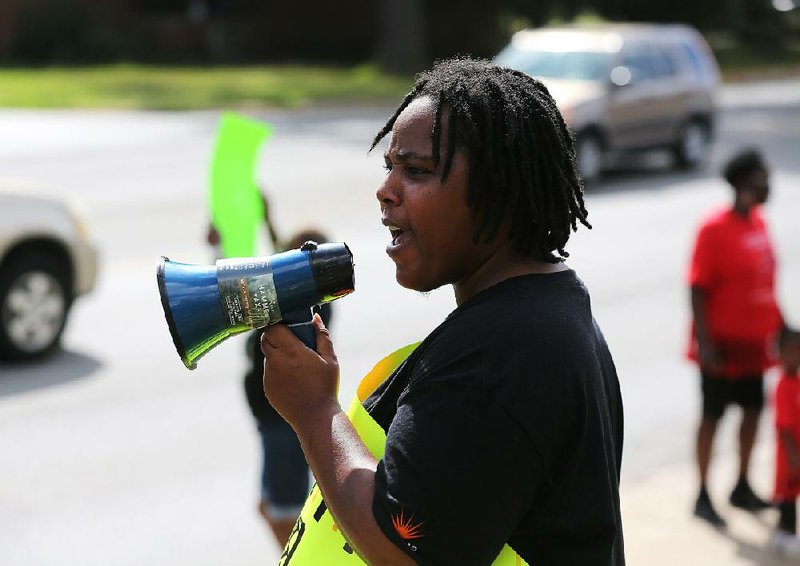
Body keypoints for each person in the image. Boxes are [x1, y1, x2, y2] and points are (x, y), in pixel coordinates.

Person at [260, 57, 625, 565]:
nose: (386, 190)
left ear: (498, 187)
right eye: (389, 167)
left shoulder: (508, 351)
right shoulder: (534, 315)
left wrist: (315, 411)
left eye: (416, 170)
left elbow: (405, 550)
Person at [208, 195, 333, 548]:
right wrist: (264, 220)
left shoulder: (305, 308)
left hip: (284, 427)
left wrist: (221, 252)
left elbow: (248, 289)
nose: (281, 267)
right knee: (268, 506)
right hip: (272, 424)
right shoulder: (300, 296)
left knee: (283, 512)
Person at [687, 148, 784, 528]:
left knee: (753, 413)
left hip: (754, 345)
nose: (768, 184)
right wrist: (706, 345)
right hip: (722, 347)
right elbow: (697, 288)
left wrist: (782, 327)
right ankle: (702, 493)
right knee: (713, 416)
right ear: (745, 183)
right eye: (762, 177)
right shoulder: (714, 229)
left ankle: (741, 485)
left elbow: (764, 282)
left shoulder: (759, 223)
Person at [769, 326, 800, 557]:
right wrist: (793, 455)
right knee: (787, 496)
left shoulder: (796, 382)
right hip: (788, 455)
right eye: (791, 349)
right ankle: (784, 533)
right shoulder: (781, 386)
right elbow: (783, 427)